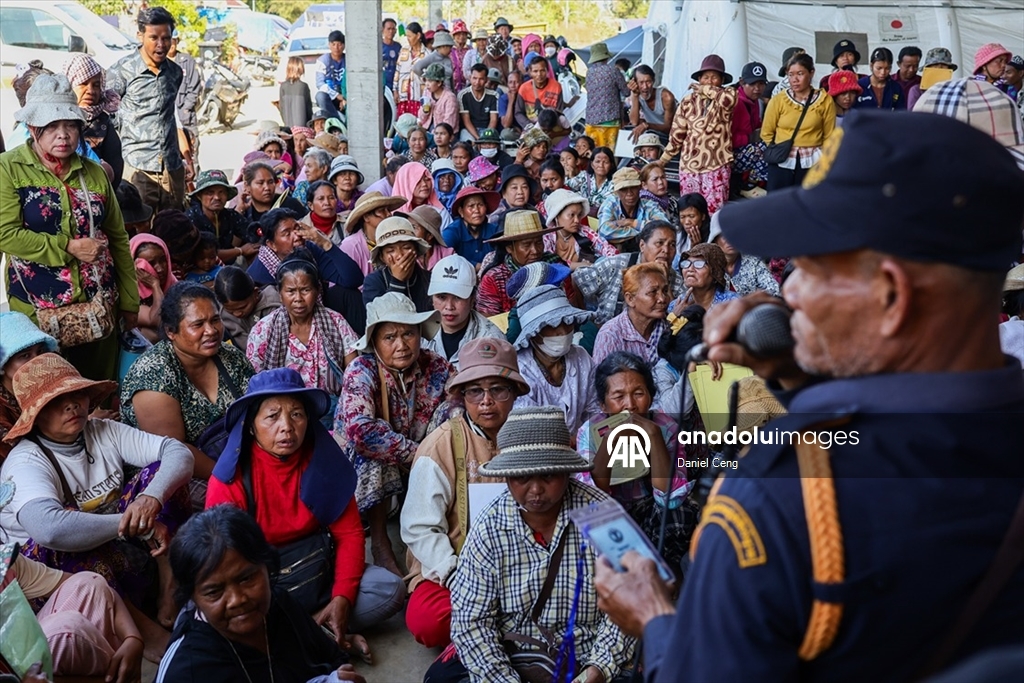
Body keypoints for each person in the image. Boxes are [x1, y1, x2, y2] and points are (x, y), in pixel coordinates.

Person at [595, 109, 1024, 683]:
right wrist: (805, 377)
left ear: (891, 297)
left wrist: (657, 621)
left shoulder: (778, 499)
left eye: (811, 266)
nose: (788, 290)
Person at [0, 353, 193, 654]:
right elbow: (48, 529)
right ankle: (145, 634)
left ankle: (169, 576)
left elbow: (177, 453)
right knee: (65, 537)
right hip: (58, 579)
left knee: (160, 477)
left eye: (76, 393)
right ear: (35, 416)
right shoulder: (26, 460)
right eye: (56, 401)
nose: (72, 405)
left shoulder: (103, 431)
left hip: (126, 550)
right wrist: (129, 524)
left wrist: (149, 499)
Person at [206, 368, 404, 651]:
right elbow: (228, 566)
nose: (286, 426)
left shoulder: (322, 461)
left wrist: (342, 599)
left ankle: (310, 635)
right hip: (266, 590)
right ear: (251, 425)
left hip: (319, 575)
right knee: (222, 623)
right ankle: (322, 637)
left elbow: (349, 534)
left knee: (389, 589)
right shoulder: (230, 479)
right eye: (272, 416)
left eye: (297, 414)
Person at [432, 405, 635, 682]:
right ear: (506, 477)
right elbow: (472, 622)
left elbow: (630, 603)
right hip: (513, 653)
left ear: (567, 473)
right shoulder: (489, 526)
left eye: (548, 476)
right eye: (522, 478)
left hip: (587, 653)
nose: (536, 490)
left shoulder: (603, 514)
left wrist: (598, 668)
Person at [1, 74, 139, 383]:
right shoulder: (8, 168)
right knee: (47, 392)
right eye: (51, 126)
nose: (62, 135)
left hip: (98, 304)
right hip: (36, 309)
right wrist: (68, 246)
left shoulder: (94, 173)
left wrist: (129, 302)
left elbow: (118, 238)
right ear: (33, 129)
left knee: (97, 390)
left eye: (70, 125)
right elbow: (5, 234)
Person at [402, 337, 528, 649]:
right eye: (475, 391)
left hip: (520, 564)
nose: (486, 401)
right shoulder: (441, 444)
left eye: (498, 389)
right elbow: (420, 527)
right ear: (463, 396)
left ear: (514, 394)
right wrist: (453, 571)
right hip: (457, 565)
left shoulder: (530, 436)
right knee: (427, 622)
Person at [158, 505, 367, 682]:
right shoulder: (186, 669)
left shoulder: (280, 603)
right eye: (214, 592)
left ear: (267, 567)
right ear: (193, 597)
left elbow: (333, 658)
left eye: (246, 578)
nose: (237, 599)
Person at [335, 293, 452, 577]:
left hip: (419, 452)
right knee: (374, 448)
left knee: (453, 413)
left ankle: (435, 520)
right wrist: (422, 453)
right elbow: (361, 431)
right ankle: (379, 540)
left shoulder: (434, 364)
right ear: (374, 342)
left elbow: (459, 396)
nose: (401, 345)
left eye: (408, 334)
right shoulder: (361, 370)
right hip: (367, 463)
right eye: (390, 337)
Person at [575, 352, 697, 570]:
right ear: (603, 404)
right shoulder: (589, 432)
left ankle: (665, 573)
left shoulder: (666, 427)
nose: (630, 405)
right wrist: (611, 440)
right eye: (618, 396)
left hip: (651, 513)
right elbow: (593, 499)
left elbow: (671, 498)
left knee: (680, 513)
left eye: (638, 393)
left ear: (650, 396)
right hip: (614, 512)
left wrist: (653, 436)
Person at [0, 538, 145, 682]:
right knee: (64, 633)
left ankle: (118, 668)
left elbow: (91, 586)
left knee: (87, 585)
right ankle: (118, 673)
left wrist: (133, 638)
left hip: (27, 661)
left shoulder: (6, 564)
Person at [247, 254, 358, 409]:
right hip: (283, 411)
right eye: (291, 291)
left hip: (332, 408)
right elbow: (256, 382)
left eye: (305, 290)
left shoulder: (336, 322)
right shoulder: (263, 331)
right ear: (280, 294)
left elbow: (354, 374)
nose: (298, 298)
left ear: (317, 290)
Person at [108, 7, 186, 214]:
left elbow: (172, 117)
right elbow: (107, 117)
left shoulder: (175, 73)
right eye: (154, 38)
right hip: (137, 167)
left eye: (166, 38)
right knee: (141, 230)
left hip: (171, 167)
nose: (161, 45)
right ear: (140, 36)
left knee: (174, 228)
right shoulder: (120, 72)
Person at [248, 208, 365, 331]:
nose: (297, 236)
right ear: (271, 244)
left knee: (347, 294)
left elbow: (353, 279)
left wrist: (326, 244)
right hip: (286, 326)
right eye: (287, 233)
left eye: (297, 228)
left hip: (318, 308)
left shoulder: (308, 249)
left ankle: (366, 345)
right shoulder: (258, 274)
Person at [512, 286, 599, 435]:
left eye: (567, 322)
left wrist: (585, 440)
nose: (563, 331)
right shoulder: (521, 370)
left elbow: (594, 409)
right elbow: (530, 428)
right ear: (534, 333)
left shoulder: (581, 357)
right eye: (553, 325)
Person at [661, 54, 737, 215]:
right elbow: (677, 134)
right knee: (690, 212)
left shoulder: (727, 95)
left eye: (714, 78)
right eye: (705, 77)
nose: (709, 81)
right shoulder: (687, 102)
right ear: (699, 78)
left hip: (717, 165)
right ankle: (692, 240)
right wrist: (663, 160)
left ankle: (712, 241)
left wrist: (704, 90)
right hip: (689, 166)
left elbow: (729, 100)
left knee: (714, 213)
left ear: (722, 81)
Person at [574, 220, 682, 325]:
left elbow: (678, 322)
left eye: (672, 245)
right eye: (660, 243)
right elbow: (577, 280)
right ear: (642, 245)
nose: (666, 250)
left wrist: (665, 281)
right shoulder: (615, 265)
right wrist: (583, 319)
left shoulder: (677, 281)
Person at [762, 52, 836, 191]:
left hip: (812, 162)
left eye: (800, 73)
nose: (794, 79)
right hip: (781, 161)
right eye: (790, 74)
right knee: (778, 204)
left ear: (811, 73)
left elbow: (829, 137)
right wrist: (778, 149)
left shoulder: (824, 101)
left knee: (808, 204)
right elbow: (766, 132)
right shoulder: (779, 100)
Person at [478, 210, 562, 316]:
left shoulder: (557, 268)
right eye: (526, 245)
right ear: (509, 248)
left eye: (539, 242)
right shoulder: (494, 279)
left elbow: (572, 308)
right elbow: (490, 322)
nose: (535, 251)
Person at [423, 255, 503, 363]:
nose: (449, 306)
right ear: (432, 298)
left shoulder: (492, 340)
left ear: (472, 299)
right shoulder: (419, 334)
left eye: (458, 297)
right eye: (442, 297)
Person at [0, 313, 58, 460]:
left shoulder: (49, 381)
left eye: (40, 351)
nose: (37, 361)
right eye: (25, 355)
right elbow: (14, 453)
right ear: (3, 365)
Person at [61, 53, 123, 184]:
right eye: (83, 83)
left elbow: (115, 170)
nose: (90, 90)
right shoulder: (57, 118)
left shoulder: (104, 124)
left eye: (95, 85)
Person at [592, 262, 670, 366]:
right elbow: (604, 380)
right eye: (653, 292)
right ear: (630, 299)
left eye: (665, 291)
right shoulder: (610, 335)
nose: (662, 299)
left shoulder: (669, 327)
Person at [186, 169, 257, 265]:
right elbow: (205, 254)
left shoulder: (229, 215)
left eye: (221, 192)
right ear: (199, 195)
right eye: (210, 193)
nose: (217, 197)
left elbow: (251, 232)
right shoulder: (190, 219)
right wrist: (240, 251)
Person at [361, 217, 433, 311]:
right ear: (382, 257)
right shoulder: (373, 282)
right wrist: (397, 281)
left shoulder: (430, 279)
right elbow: (380, 318)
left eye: (406, 247)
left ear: (415, 250)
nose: (400, 255)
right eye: (391, 250)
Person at [544, 188, 616, 270]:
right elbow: (550, 266)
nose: (577, 220)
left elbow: (604, 247)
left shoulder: (584, 232)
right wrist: (578, 265)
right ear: (556, 216)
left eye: (579, 215)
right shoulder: (547, 239)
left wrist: (614, 259)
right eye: (571, 215)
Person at [339, 191, 407, 278]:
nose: (389, 214)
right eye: (381, 211)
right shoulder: (351, 246)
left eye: (388, 210)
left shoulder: (396, 239)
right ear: (366, 217)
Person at [599, 167, 669, 251]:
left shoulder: (649, 205)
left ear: (640, 187)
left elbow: (664, 227)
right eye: (623, 189)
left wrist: (632, 223)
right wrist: (643, 234)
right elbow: (605, 231)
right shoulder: (610, 203)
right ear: (617, 192)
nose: (629, 193)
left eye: (633, 187)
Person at [709, 216, 780, 296]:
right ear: (715, 239)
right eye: (724, 235)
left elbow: (773, 290)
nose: (730, 240)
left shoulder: (753, 262)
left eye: (734, 234)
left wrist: (749, 302)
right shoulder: (708, 265)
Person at [215, 266, 280, 351]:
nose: (237, 314)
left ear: (255, 293)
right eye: (231, 311)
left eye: (243, 307)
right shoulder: (222, 315)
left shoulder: (274, 305)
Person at [131, 233, 178, 343]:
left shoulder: (173, 283)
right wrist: (155, 285)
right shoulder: (130, 293)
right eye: (151, 263)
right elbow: (157, 319)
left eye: (163, 260)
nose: (160, 269)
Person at [584, 42, 631, 149]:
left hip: (591, 121)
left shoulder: (589, 72)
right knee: (609, 155)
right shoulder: (613, 71)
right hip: (610, 121)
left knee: (595, 155)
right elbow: (626, 92)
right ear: (605, 56)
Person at [732, 61, 769, 193]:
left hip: (746, 149)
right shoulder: (734, 102)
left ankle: (752, 182)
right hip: (730, 156)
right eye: (752, 84)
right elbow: (726, 138)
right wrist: (750, 138)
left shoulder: (755, 102)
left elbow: (756, 125)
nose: (757, 88)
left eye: (761, 84)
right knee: (764, 146)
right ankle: (748, 184)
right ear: (742, 82)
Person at [441, 185, 501, 265]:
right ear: (461, 211)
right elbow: (445, 258)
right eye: (471, 206)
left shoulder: (494, 231)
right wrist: (475, 266)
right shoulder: (452, 232)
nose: (476, 210)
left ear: (486, 207)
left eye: (480, 205)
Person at [237, 160, 308, 227]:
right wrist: (239, 211)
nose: (267, 188)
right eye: (260, 183)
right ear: (247, 186)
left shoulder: (291, 205)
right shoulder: (243, 209)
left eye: (270, 182)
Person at [169, 29, 202, 152]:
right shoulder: (159, 63)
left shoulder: (187, 61)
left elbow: (195, 87)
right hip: (168, 120)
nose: (171, 45)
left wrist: (186, 108)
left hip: (185, 118)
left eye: (174, 41)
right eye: (169, 41)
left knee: (192, 153)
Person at [628, 64, 677, 144]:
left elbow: (669, 127)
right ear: (635, 83)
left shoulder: (666, 97)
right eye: (641, 82)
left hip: (670, 138)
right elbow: (634, 122)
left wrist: (647, 125)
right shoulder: (637, 94)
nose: (645, 87)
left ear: (653, 81)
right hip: (652, 135)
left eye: (648, 82)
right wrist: (635, 96)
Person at [393, 161, 453, 226]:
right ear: (405, 184)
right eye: (418, 180)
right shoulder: (392, 216)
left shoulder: (439, 213)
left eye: (427, 179)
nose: (424, 184)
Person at [516, 54, 566, 129]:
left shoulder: (556, 87)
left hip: (552, 126)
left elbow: (559, 111)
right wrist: (529, 126)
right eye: (535, 71)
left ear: (547, 71)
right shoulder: (524, 88)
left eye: (542, 70)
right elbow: (518, 113)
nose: (539, 74)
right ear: (530, 72)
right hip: (531, 127)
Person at [567, 145, 616, 214]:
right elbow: (567, 185)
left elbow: (607, 203)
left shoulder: (615, 182)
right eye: (597, 161)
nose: (601, 165)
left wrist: (580, 197)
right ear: (592, 164)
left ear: (611, 165)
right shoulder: (584, 176)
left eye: (605, 162)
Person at [404, 203, 455, 269]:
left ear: (430, 235)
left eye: (414, 227)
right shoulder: (404, 255)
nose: (409, 231)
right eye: (408, 226)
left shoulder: (448, 256)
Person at [459, 63, 499, 141]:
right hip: (469, 130)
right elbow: (466, 121)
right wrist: (478, 139)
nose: (477, 82)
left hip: (487, 130)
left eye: (481, 79)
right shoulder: (463, 95)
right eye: (474, 78)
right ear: (470, 78)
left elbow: (493, 120)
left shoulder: (494, 96)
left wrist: (486, 137)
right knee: (469, 143)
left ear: (486, 80)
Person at [395, 22, 427, 117]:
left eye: (410, 36)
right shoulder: (404, 50)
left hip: (419, 97)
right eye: (407, 36)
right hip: (403, 96)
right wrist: (395, 90)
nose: (407, 39)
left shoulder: (427, 54)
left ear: (418, 35)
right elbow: (397, 71)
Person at [418, 63, 460, 134]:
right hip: (427, 129)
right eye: (426, 80)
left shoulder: (450, 98)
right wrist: (425, 111)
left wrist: (434, 133)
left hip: (444, 134)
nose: (427, 84)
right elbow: (421, 118)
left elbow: (449, 124)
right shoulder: (426, 92)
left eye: (430, 81)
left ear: (439, 83)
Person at [301, 180, 346, 246]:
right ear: (311, 205)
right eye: (321, 199)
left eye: (331, 198)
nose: (327, 203)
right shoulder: (301, 228)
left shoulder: (347, 226)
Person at [315, 30, 347, 121]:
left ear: (344, 45)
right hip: (331, 95)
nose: (336, 48)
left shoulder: (348, 60)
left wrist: (344, 98)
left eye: (339, 44)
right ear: (329, 45)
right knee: (320, 96)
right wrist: (338, 96)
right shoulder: (323, 60)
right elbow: (320, 84)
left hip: (346, 94)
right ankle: (336, 122)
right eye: (333, 44)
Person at [279, 56, 314, 129]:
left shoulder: (283, 86)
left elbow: (281, 108)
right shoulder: (304, 86)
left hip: (288, 126)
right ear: (300, 69)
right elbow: (308, 109)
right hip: (302, 127)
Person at [382, 17, 400, 95]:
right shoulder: (378, 47)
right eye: (388, 29)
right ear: (383, 30)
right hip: (382, 84)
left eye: (393, 29)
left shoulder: (398, 47)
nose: (391, 31)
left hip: (395, 84)